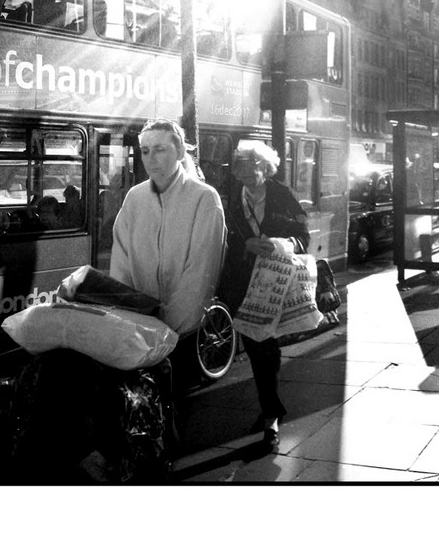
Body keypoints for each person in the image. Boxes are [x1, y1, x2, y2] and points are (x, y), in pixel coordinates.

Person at [220, 141, 310, 449]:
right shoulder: (232, 200)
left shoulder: (282, 195)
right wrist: (245, 247)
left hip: (279, 285)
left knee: (266, 351)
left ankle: (271, 412)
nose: (244, 173)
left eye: (250, 167)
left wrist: (281, 243)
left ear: (265, 167)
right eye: (239, 168)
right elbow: (225, 244)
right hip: (247, 287)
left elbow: (303, 238)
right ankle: (272, 411)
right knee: (261, 350)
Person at [110, 119, 226, 336]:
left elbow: (201, 273)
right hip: (139, 328)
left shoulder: (204, 198)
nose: (150, 159)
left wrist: (170, 325)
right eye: (145, 151)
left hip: (182, 333)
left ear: (180, 152)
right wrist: (128, 316)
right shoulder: (135, 198)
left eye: (160, 150)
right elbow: (120, 266)